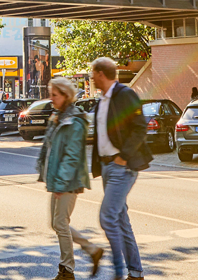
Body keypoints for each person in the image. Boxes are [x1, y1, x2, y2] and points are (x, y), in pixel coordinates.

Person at [90, 57, 151, 280]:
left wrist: (124, 157)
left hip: (121, 167)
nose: (91, 77)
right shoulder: (101, 100)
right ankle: (135, 273)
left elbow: (140, 127)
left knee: (108, 217)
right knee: (121, 219)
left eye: (92, 74)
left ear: (100, 74)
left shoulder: (125, 95)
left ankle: (117, 273)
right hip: (107, 167)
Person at [38, 76, 104, 280]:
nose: (51, 99)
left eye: (54, 95)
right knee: (57, 223)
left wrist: (61, 182)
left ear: (65, 96)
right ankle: (92, 250)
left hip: (68, 180)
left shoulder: (75, 120)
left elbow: (72, 156)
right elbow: (50, 146)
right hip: (58, 179)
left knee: (60, 222)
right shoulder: (59, 115)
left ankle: (67, 270)